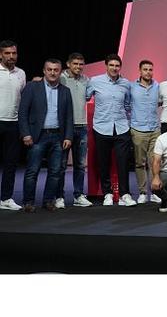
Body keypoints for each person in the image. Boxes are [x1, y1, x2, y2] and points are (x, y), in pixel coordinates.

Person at [18, 59, 73, 212]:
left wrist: (68, 136)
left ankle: (49, 201)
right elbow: (22, 113)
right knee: (32, 171)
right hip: (37, 136)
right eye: (49, 69)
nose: (53, 73)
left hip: (58, 136)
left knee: (55, 172)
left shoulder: (65, 91)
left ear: (60, 72)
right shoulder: (32, 87)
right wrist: (25, 134)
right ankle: (28, 202)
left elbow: (69, 116)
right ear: (44, 70)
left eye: (56, 70)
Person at [87, 54, 136, 207]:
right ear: (106, 66)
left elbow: (128, 104)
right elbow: (86, 96)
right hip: (102, 127)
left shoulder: (126, 83)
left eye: (117, 66)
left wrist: (128, 122)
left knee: (123, 163)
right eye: (111, 65)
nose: (114, 68)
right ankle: (107, 193)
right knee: (103, 162)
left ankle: (124, 194)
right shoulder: (95, 81)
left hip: (121, 128)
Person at [59, 52, 91, 207]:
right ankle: (59, 196)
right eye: (75, 64)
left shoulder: (86, 80)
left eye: (81, 64)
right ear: (68, 64)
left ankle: (78, 195)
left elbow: (87, 97)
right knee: (61, 164)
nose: (78, 67)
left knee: (79, 164)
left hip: (82, 126)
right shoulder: (61, 78)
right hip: (65, 127)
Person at [129, 60, 161, 204]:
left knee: (155, 162)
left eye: (150, 69)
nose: (148, 72)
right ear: (140, 71)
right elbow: (126, 104)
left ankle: (155, 191)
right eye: (145, 69)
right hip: (138, 130)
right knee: (140, 163)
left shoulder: (157, 86)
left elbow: (160, 102)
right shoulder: (131, 87)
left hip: (154, 129)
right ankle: (142, 192)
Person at [0, 40, 26, 211]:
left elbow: (22, 98)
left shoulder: (21, 73)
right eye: (7, 53)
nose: (11, 56)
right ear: (1, 54)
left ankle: (6, 198)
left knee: (10, 164)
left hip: (14, 124)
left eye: (14, 53)